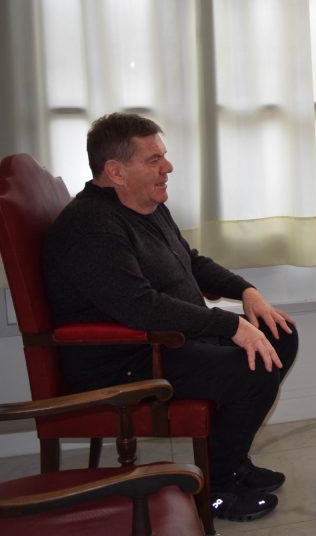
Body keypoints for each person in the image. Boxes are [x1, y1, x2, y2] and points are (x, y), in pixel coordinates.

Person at [43, 112, 299, 522]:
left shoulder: (146, 204)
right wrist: (230, 325)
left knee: (279, 334)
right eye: (153, 160)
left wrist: (246, 293)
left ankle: (230, 461)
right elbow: (140, 306)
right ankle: (214, 488)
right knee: (250, 371)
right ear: (116, 171)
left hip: (166, 339)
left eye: (164, 157)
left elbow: (190, 262)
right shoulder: (92, 226)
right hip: (124, 359)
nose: (168, 167)